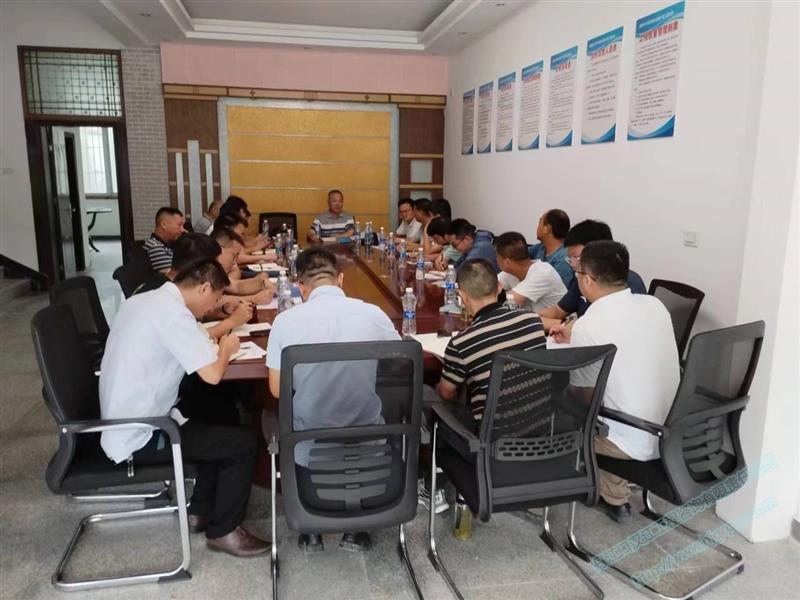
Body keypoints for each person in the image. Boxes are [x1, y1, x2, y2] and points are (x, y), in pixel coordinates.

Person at [99, 259, 268, 557]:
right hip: (142, 434)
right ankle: (225, 531)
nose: (212, 307)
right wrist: (226, 351)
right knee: (243, 443)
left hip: (128, 417)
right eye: (215, 299)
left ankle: (200, 511)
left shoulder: (148, 300)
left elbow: (196, 340)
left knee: (218, 418)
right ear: (204, 288)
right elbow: (212, 375)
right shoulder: (174, 315)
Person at [266, 247, 399, 553]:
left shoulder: (285, 322)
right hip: (367, 439)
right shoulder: (372, 313)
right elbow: (398, 359)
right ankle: (356, 528)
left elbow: (277, 390)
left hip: (310, 444)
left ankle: (311, 528)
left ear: (301, 287)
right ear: (340, 279)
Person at [551, 241, 679, 523]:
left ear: (587, 279)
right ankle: (614, 497)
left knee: (562, 408)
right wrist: (577, 336)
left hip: (630, 439)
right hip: (673, 431)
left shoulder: (590, 324)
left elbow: (584, 397)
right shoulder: (654, 305)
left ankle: (563, 491)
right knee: (615, 396)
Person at [437, 258, 547, 425]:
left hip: (491, 433)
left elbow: (447, 393)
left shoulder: (461, 342)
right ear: (500, 287)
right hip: (540, 425)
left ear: (463, 296)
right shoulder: (533, 320)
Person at [536, 220, 646, 331]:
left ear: (597, 251)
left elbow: (610, 329)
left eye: (576, 257)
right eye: (570, 258)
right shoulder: (581, 277)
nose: (573, 264)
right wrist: (530, 318)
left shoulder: (625, 283)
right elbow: (558, 310)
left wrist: (558, 325)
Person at [494, 231, 566, 311]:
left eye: (497, 256)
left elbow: (510, 302)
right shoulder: (509, 273)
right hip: (535, 318)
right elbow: (488, 287)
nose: (496, 259)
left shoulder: (543, 272)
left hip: (561, 318)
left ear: (507, 262)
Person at [527, 209, 573, 287]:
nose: (537, 227)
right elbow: (519, 254)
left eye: (540, 222)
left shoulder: (563, 259)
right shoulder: (541, 247)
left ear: (547, 229)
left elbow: (560, 291)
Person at [143, 207, 186, 273]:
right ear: (164, 225)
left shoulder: (167, 245)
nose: (182, 230)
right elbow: (174, 276)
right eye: (179, 225)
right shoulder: (155, 247)